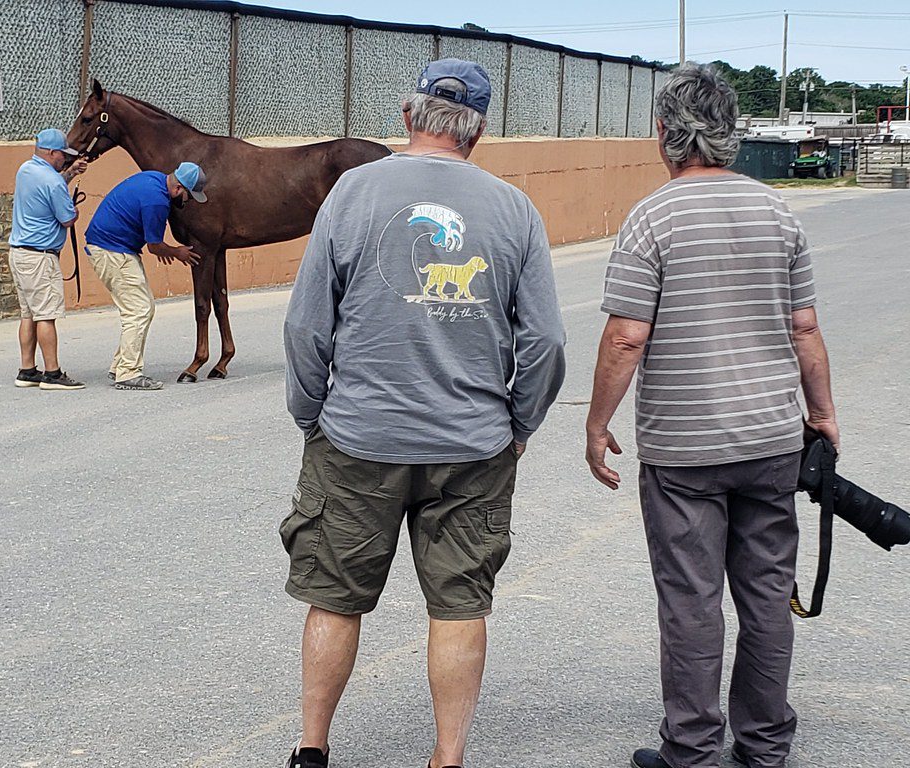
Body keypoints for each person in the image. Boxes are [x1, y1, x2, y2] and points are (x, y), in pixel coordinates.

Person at [281, 59, 566, 768]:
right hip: (471, 446)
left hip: (357, 437)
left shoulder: (353, 191)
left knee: (335, 596)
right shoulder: (513, 209)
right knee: (459, 604)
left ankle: (312, 749)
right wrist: (518, 427)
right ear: (479, 130)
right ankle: (447, 758)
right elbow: (546, 341)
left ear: (409, 117)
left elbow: (307, 324)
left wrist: (311, 414)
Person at [584, 64, 839, 768]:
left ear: (664, 133)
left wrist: (597, 422)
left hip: (684, 453)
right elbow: (806, 328)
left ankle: (692, 750)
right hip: (770, 439)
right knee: (765, 595)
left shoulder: (652, 217)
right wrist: (822, 414)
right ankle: (762, 746)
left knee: (692, 603)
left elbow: (626, 335)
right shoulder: (776, 210)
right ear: (730, 133)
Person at [84, 162, 207, 391]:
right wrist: (177, 252)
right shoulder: (157, 201)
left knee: (143, 307)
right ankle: (128, 373)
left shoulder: (154, 178)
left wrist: (164, 248)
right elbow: (154, 246)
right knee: (138, 310)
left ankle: (120, 364)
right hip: (113, 252)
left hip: (110, 247)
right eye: (189, 196)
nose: (187, 201)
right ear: (179, 188)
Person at [9, 128, 88, 390]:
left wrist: (70, 172)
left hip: (19, 252)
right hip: (40, 257)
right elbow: (67, 218)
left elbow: (50, 183)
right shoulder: (53, 182)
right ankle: (52, 373)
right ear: (51, 152)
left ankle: (27, 369)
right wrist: (73, 210)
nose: (64, 159)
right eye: (63, 155)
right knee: (46, 314)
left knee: (28, 313)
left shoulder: (26, 170)